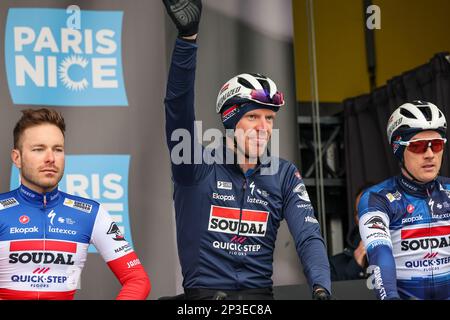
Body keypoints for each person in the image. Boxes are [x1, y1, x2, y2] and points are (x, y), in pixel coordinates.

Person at [162, 0, 331, 300]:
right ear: (230, 121)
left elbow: (307, 235)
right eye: (252, 117)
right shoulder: (194, 163)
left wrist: (321, 287)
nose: (263, 127)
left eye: (269, 119)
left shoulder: (284, 175)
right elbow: (177, 108)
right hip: (203, 300)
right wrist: (187, 40)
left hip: (259, 300)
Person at [0, 108, 151, 300]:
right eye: (38, 149)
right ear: (17, 158)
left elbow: (137, 279)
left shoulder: (90, 213)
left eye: (58, 149)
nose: (50, 158)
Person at [358, 100, 450, 300]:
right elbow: (379, 254)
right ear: (398, 149)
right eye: (417, 147)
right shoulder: (377, 198)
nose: (429, 155)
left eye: (436, 145)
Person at [330, 184, 372, 281]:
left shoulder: (408, 252)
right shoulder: (335, 266)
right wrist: (355, 267)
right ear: (357, 220)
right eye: (360, 212)